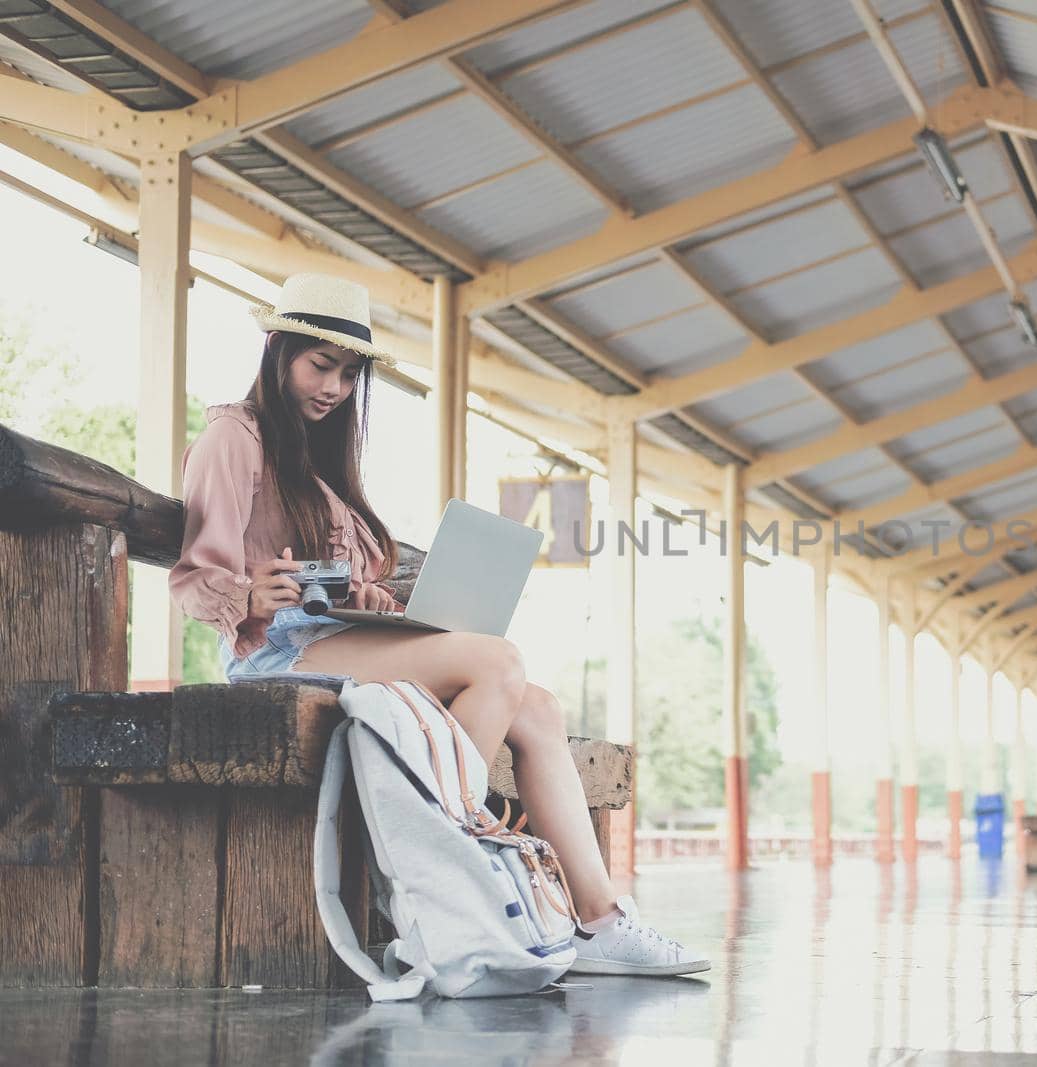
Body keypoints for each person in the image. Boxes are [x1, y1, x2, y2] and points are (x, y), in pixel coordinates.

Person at [170, 272, 708, 978]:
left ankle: (600, 920)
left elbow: (332, 587)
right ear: (278, 352)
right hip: (275, 655)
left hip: (334, 638)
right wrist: (250, 592)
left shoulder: (320, 462)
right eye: (319, 365)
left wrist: (381, 602)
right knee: (497, 663)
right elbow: (191, 578)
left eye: (348, 374)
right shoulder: (233, 437)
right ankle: (439, 871)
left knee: (538, 705)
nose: (333, 387)